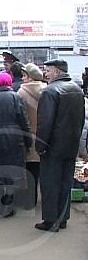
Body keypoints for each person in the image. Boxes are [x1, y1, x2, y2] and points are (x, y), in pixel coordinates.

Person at [35, 59, 85, 232]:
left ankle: (50, 220)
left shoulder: (50, 91)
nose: (45, 73)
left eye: (47, 70)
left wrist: (40, 146)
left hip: (53, 146)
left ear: (57, 72)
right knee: (65, 183)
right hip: (70, 145)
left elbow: (45, 123)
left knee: (50, 184)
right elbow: (81, 120)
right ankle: (63, 218)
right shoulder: (77, 90)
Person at [0, 73, 32, 217]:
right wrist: (28, 142)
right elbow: (24, 121)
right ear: (9, 83)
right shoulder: (17, 97)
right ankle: (7, 205)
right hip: (14, 138)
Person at [17, 63, 47, 210]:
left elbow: (20, 117)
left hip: (28, 136)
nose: (22, 78)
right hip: (45, 136)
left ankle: (30, 202)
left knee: (30, 171)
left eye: (24, 75)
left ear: (30, 77)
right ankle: (47, 201)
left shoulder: (21, 93)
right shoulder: (48, 90)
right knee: (45, 171)